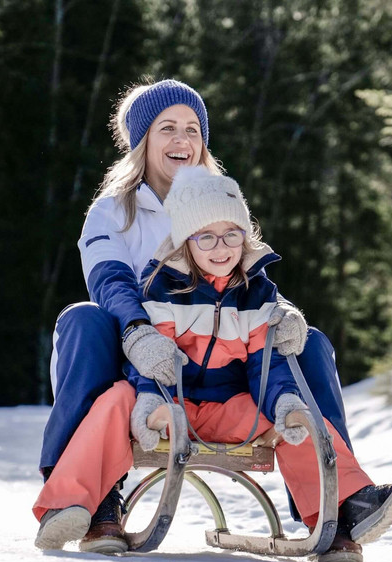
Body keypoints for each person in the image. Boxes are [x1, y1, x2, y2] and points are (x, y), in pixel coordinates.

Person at [33, 167, 392, 562]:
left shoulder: (256, 293)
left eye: (231, 235)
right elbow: (156, 359)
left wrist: (284, 401)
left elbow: (265, 365)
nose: (221, 248)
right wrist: (149, 401)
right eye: (206, 237)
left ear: (245, 235)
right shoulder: (161, 286)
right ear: (186, 242)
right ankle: (67, 504)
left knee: (299, 418)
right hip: (174, 407)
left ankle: (346, 504)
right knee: (118, 398)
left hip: (230, 409)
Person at [42, 78, 351, 528]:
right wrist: (136, 330)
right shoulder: (111, 212)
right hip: (134, 359)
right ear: (143, 140)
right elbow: (109, 281)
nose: (181, 139)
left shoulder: (218, 201)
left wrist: (282, 311)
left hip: (220, 369)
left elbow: (246, 277)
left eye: (192, 129)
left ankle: (337, 504)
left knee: (310, 342)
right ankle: (84, 495)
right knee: (83, 320)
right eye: (167, 128)